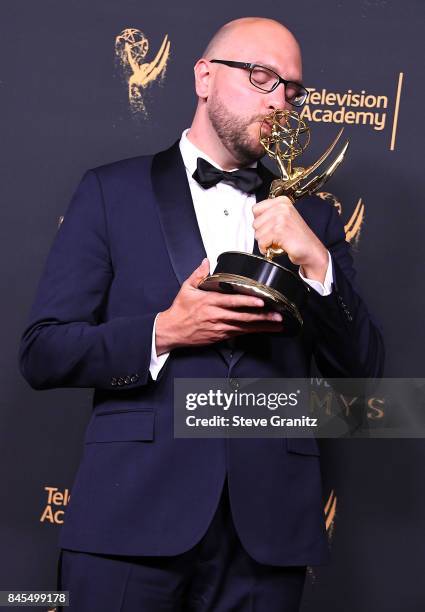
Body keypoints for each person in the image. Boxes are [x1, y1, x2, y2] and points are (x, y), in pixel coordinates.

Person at [18, 16, 384, 612]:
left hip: (266, 539)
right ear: (204, 77)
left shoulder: (314, 220)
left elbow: (363, 373)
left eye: (291, 90)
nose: (279, 101)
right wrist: (163, 332)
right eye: (261, 76)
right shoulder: (111, 191)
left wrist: (319, 265)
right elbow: (42, 351)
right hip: (128, 523)